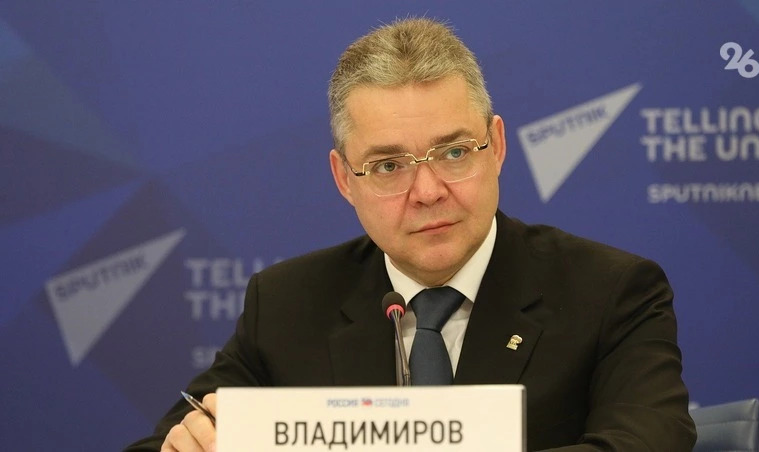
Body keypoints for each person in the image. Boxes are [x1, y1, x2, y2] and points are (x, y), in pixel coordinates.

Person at [125, 18, 696, 451]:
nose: (427, 191)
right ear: (344, 180)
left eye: (454, 153)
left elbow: (646, 444)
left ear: (496, 147)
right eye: (388, 165)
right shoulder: (286, 305)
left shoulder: (612, 293)